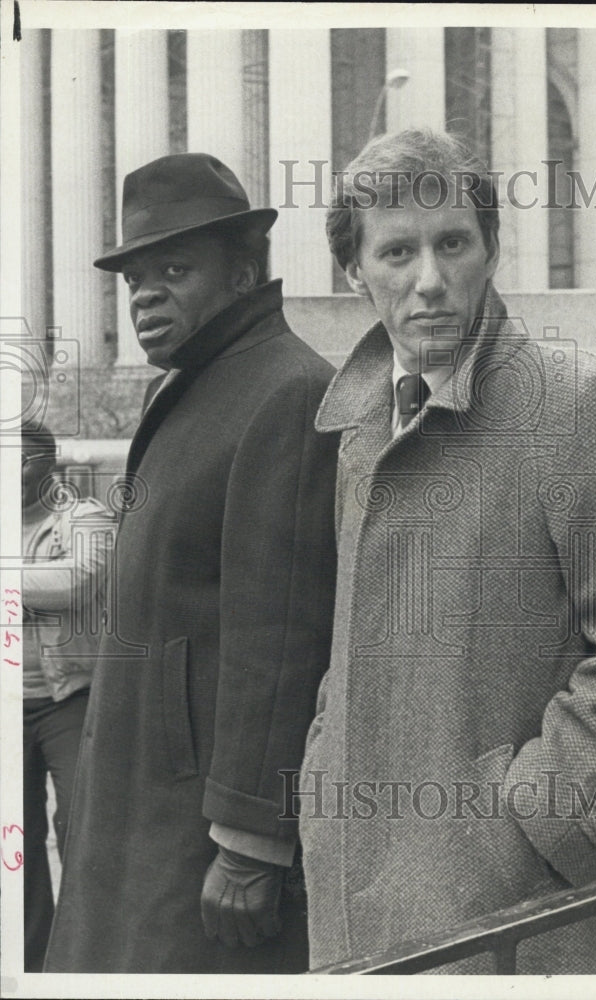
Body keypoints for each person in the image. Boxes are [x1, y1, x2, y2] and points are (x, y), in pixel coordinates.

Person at [298, 129, 596, 974]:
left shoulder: (579, 400)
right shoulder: (359, 433)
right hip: (363, 887)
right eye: (396, 252)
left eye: (452, 243)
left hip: (520, 916)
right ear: (355, 274)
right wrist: (321, 775)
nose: (428, 280)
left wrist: (527, 824)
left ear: (489, 249)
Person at [45, 153, 338, 973]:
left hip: (197, 831)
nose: (144, 293)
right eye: (135, 276)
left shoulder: (286, 391)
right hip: (136, 802)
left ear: (245, 270)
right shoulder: (191, 385)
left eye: (174, 268)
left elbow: (280, 637)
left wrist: (251, 841)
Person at [21, 421, 115, 971]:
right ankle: (34, 967)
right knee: (18, 843)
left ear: (43, 465)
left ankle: (87, 963)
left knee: (82, 829)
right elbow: (49, 587)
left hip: (69, 699)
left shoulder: (84, 517)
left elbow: (77, 581)